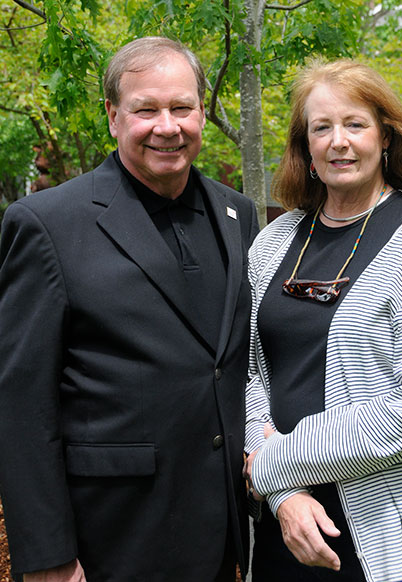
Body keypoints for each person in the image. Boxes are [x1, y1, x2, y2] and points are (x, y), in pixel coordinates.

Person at [0, 36, 259, 582]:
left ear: (203, 114)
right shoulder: (47, 224)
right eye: (147, 109)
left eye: (183, 107)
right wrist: (48, 557)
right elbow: (21, 405)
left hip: (224, 530)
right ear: (114, 117)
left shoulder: (237, 213)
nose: (168, 126)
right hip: (113, 537)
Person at [243, 59, 402, 582]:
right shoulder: (273, 242)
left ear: (387, 138)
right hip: (292, 519)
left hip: (399, 534)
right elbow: (247, 373)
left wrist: (274, 462)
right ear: (304, 146)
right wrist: (283, 492)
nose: (339, 142)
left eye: (355, 124)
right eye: (321, 127)